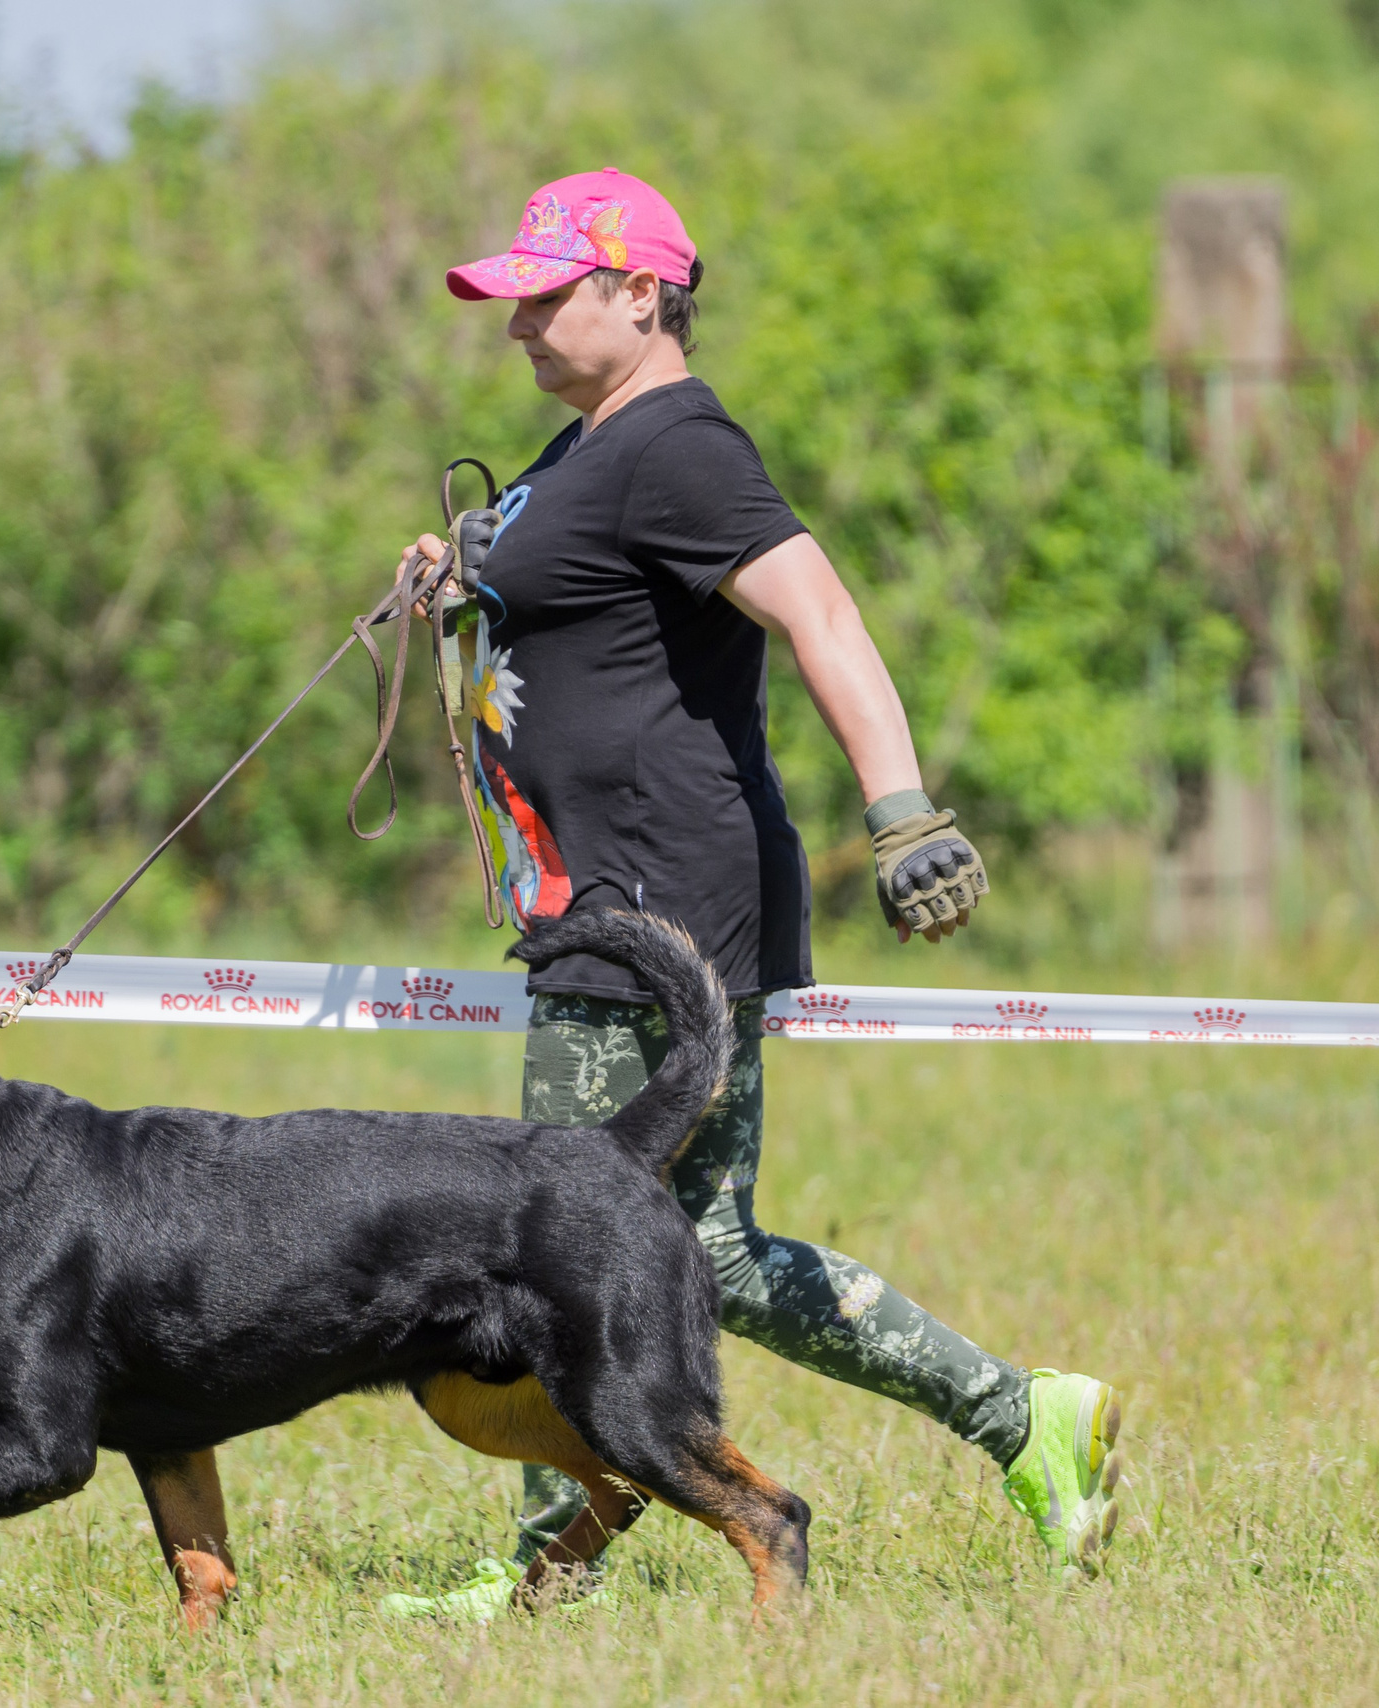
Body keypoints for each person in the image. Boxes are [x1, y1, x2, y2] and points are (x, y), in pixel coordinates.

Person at [378, 169, 1123, 1621]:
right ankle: (1021, 1416)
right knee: (704, 1249)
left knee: (559, 1240)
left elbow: (820, 608)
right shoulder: (590, 443)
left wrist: (903, 810)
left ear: (642, 294)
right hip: (613, 905)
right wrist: (460, 562)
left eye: (548, 292)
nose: (517, 319)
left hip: (652, 917)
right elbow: (565, 572)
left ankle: (547, 1563)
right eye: (511, 295)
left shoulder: (679, 443)